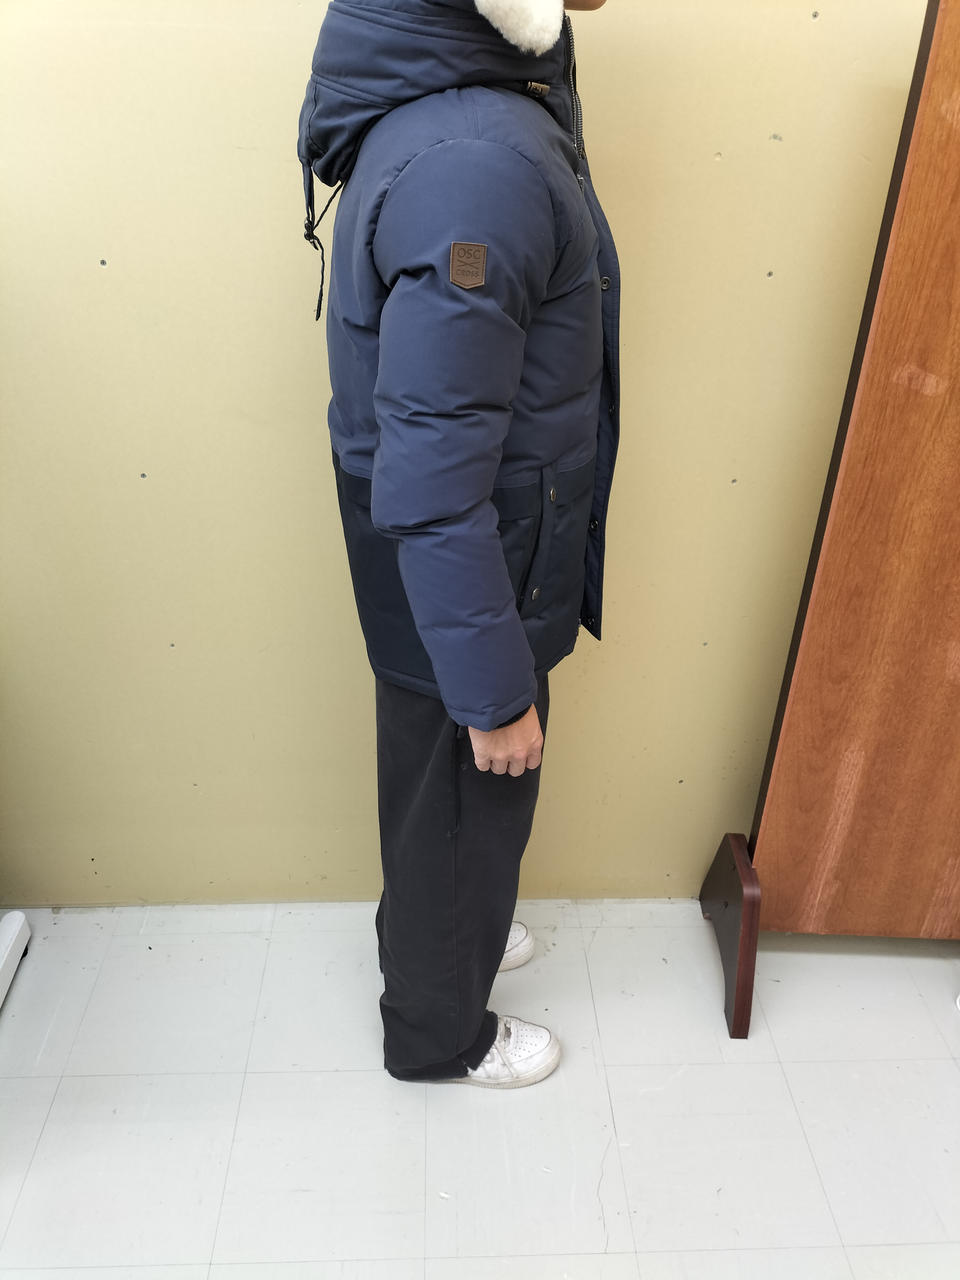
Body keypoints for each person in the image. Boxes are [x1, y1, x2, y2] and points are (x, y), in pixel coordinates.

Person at [297, 0, 619, 1088]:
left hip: (471, 537)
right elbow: (436, 489)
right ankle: (440, 1032)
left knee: (435, 777)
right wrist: (493, 690)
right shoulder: (475, 164)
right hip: (478, 544)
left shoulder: (452, 112)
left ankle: (436, 931)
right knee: (472, 782)